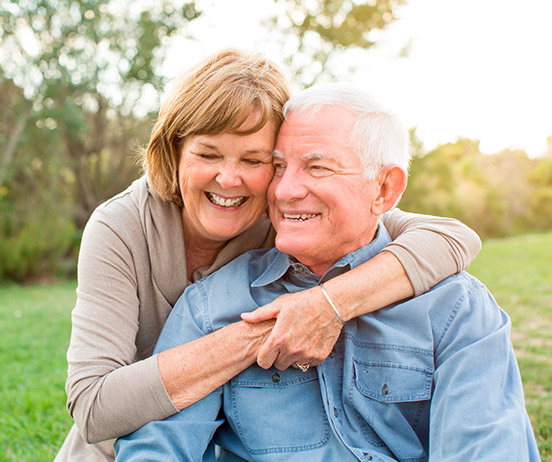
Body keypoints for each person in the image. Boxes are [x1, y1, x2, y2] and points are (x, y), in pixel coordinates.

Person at [56, 50, 482, 461]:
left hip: (220, 426)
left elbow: (450, 236)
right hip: (120, 438)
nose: (229, 178)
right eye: (207, 154)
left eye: (255, 160)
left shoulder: (288, 216)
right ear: (174, 151)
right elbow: (94, 406)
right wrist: (276, 328)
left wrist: (327, 304)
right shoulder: (121, 227)